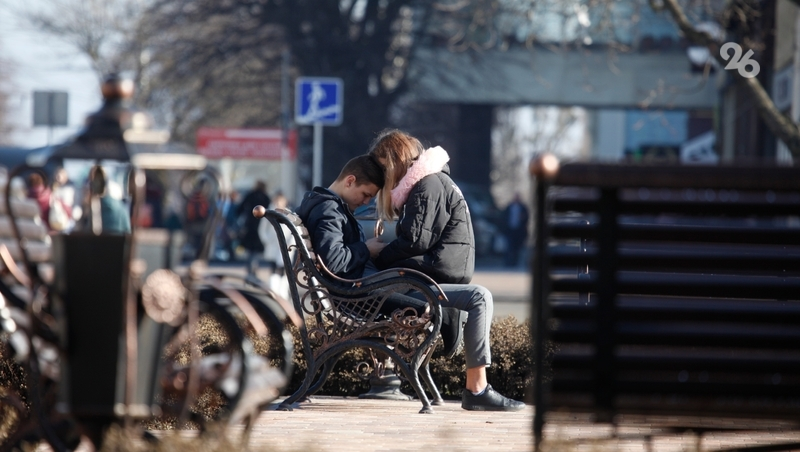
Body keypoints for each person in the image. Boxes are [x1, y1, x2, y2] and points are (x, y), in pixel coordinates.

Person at [369, 128, 525, 411]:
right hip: (426, 279)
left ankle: (476, 389)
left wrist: (380, 257)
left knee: (478, 297)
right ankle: (476, 390)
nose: (380, 176)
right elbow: (419, 239)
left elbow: (417, 239)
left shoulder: (427, 186)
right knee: (479, 297)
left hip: (427, 277)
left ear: (395, 160)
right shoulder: (433, 183)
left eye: (382, 167)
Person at [295, 155, 466, 358]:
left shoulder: (325, 205)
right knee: (420, 297)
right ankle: (443, 315)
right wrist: (366, 249)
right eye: (366, 194)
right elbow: (334, 261)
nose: (367, 201)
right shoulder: (328, 210)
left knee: (408, 280)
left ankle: (443, 314)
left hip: (356, 289)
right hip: (353, 295)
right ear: (350, 181)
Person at [258, 192, 294, 299]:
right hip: (273, 245)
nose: (278, 203)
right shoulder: (269, 213)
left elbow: (293, 230)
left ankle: (283, 290)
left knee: (284, 267)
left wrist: (291, 243)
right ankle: (273, 289)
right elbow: (262, 229)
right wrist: (267, 240)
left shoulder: (288, 213)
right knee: (273, 266)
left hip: (286, 245)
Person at [237, 181, 271, 277]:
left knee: (250, 250)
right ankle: (254, 268)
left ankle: (250, 269)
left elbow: (239, 209)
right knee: (256, 250)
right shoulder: (265, 197)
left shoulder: (250, 195)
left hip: (249, 226)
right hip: (261, 226)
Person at [502, 192, 530, 268]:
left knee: (517, 248)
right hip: (510, 230)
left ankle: (515, 262)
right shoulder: (509, 207)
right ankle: (508, 262)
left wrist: (523, 218)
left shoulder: (523, 207)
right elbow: (504, 217)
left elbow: (527, 218)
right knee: (509, 247)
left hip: (519, 231)